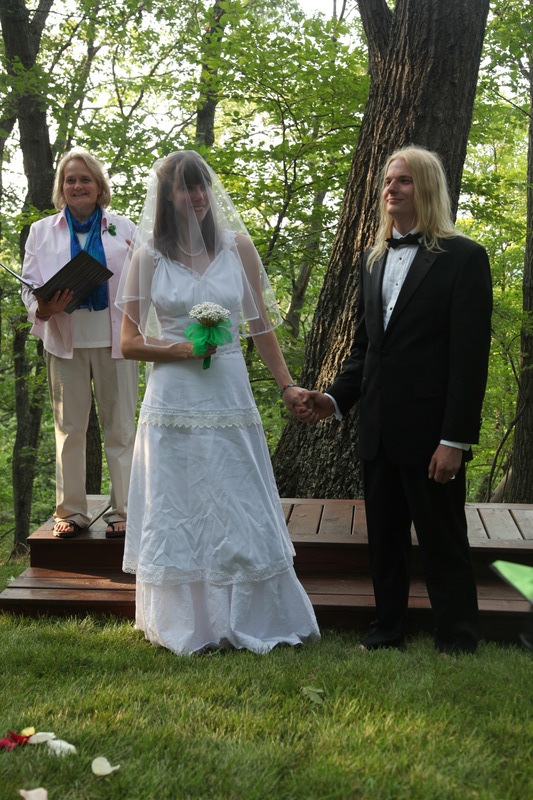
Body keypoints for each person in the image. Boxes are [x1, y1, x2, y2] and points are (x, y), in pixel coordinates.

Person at [116, 150, 320, 654]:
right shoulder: (148, 257)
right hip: (173, 396)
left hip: (228, 389)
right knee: (179, 503)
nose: (196, 197)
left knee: (237, 494)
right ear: (167, 197)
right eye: (184, 188)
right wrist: (180, 350)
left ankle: (250, 616)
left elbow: (261, 326)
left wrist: (287, 385)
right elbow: (129, 342)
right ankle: (188, 624)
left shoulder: (237, 247)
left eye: (201, 186)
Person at [296, 145, 492, 654]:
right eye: (387, 180)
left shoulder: (465, 258)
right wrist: (333, 399)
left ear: (425, 188)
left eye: (402, 180)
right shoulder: (373, 259)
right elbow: (366, 351)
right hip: (378, 428)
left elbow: (469, 361)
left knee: (443, 540)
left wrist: (454, 440)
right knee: (384, 539)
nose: (391, 188)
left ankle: (458, 638)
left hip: (433, 434)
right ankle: (387, 631)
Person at [22, 150, 138, 539]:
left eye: (85, 179)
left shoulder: (123, 228)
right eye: (70, 180)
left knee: (120, 428)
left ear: (99, 186)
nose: (77, 186)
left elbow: (144, 281)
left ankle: (122, 510)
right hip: (64, 342)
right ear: (61, 188)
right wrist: (42, 307)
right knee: (69, 429)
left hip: (118, 342)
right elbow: (28, 285)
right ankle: (71, 511)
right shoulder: (42, 231)